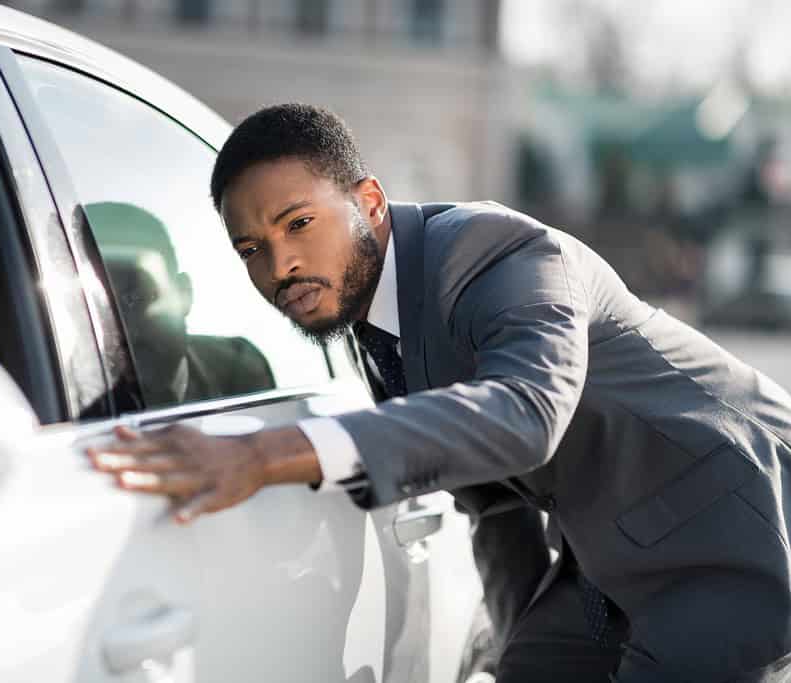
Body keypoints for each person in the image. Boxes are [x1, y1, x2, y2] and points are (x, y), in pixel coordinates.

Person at [87, 104, 791, 682]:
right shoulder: (367, 322)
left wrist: (265, 452)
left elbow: (525, 413)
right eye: (249, 249)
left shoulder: (498, 255)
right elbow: (494, 507)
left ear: (367, 201)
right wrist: (518, 653)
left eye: (298, 222)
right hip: (602, 560)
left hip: (730, 521)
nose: (280, 264)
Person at [87, 201, 275, 408]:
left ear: (184, 294)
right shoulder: (56, 401)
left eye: (136, 296)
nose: (120, 326)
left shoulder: (240, 370)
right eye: (92, 306)